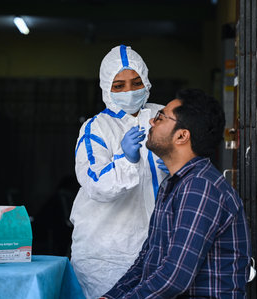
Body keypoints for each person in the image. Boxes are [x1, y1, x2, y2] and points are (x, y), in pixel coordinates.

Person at [101, 88, 253, 298]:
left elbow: (174, 277)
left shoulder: (200, 186)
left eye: (161, 117)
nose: (152, 122)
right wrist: (110, 296)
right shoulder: (173, 185)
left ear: (182, 136)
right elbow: (146, 261)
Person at [70, 45, 169, 299]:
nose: (130, 91)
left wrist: (176, 168)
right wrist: (125, 160)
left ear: (146, 81)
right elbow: (94, 185)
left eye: (136, 83)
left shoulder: (164, 118)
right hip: (106, 255)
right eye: (119, 86)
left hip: (158, 250)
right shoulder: (97, 128)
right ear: (106, 88)